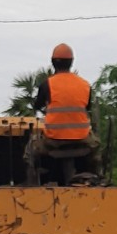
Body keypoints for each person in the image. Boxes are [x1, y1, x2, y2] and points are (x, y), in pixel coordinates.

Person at [26, 43, 102, 178]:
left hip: (54, 140)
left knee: (31, 147)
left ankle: (34, 179)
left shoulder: (47, 84)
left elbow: (37, 105)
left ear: (53, 63)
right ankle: (97, 175)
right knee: (96, 146)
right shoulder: (85, 84)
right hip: (82, 139)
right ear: (71, 62)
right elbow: (87, 107)